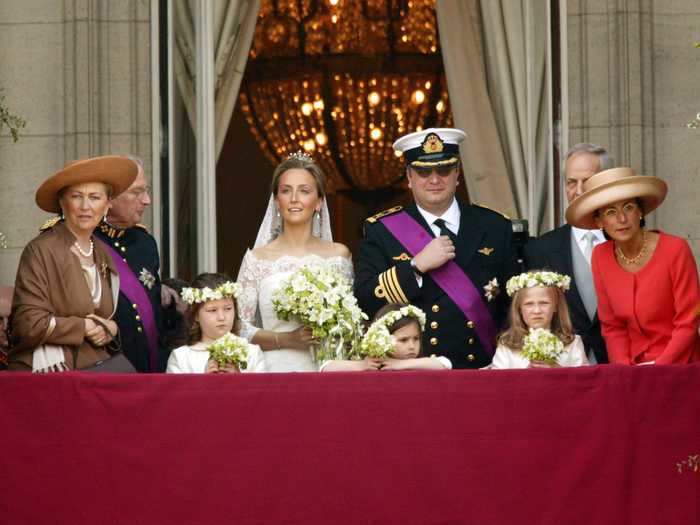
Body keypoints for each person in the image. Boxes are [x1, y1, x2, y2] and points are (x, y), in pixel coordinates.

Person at [354, 128, 518, 369]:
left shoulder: (494, 226)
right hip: (414, 370)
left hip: (483, 367)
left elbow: (513, 302)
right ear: (409, 177)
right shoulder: (382, 230)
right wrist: (415, 267)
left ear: (457, 173)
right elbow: (366, 300)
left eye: (443, 169)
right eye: (423, 171)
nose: (434, 179)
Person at [8, 156, 137, 371]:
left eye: (95, 197)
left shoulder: (103, 252)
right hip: (49, 372)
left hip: (97, 368)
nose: (85, 206)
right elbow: (27, 324)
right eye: (77, 196)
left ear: (107, 205)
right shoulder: (41, 249)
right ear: (62, 202)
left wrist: (110, 328)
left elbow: (106, 317)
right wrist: (83, 326)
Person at [566, 167, 700, 365]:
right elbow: (613, 327)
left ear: (640, 211)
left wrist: (660, 369)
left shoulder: (675, 249)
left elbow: (688, 321)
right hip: (632, 369)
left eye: (628, 207)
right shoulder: (600, 256)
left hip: (680, 366)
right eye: (611, 212)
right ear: (599, 220)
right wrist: (626, 372)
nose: (622, 219)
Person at [237, 152, 353, 372]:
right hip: (275, 371)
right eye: (286, 190)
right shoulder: (257, 259)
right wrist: (287, 339)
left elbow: (351, 322)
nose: (294, 199)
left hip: (330, 369)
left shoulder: (339, 256)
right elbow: (239, 327)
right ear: (276, 201)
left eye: (304, 191)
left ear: (319, 201)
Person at [525, 143, 613, 364]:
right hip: (563, 367)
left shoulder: (626, 243)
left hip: (620, 367)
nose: (579, 191)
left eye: (588, 181)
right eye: (571, 182)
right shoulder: (540, 249)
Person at [93, 155, 179, 372]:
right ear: (109, 198)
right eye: (136, 192)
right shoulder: (84, 242)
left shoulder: (144, 242)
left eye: (146, 190)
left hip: (151, 367)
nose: (147, 200)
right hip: (107, 369)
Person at [166, 273, 265, 373]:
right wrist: (204, 381)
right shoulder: (181, 357)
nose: (221, 317)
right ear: (196, 315)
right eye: (212, 310)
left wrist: (238, 379)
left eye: (228, 309)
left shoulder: (252, 353)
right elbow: (176, 389)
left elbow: (263, 388)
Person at [491, 271, 588, 369]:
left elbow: (585, 380)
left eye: (544, 303)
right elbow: (497, 381)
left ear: (555, 306)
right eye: (529, 304)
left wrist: (558, 371)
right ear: (519, 308)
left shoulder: (572, 343)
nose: (537, 311)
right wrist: (526, 375)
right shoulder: (507, 345)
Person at [321, 303, 452, 371]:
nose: (412, 346)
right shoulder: (374, 363)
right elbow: (326, 367)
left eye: (416, 339)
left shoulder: (421, 364)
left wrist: (401, 365)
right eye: (403, 340)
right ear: (382, 337)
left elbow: (445, 364)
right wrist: (361, 365)